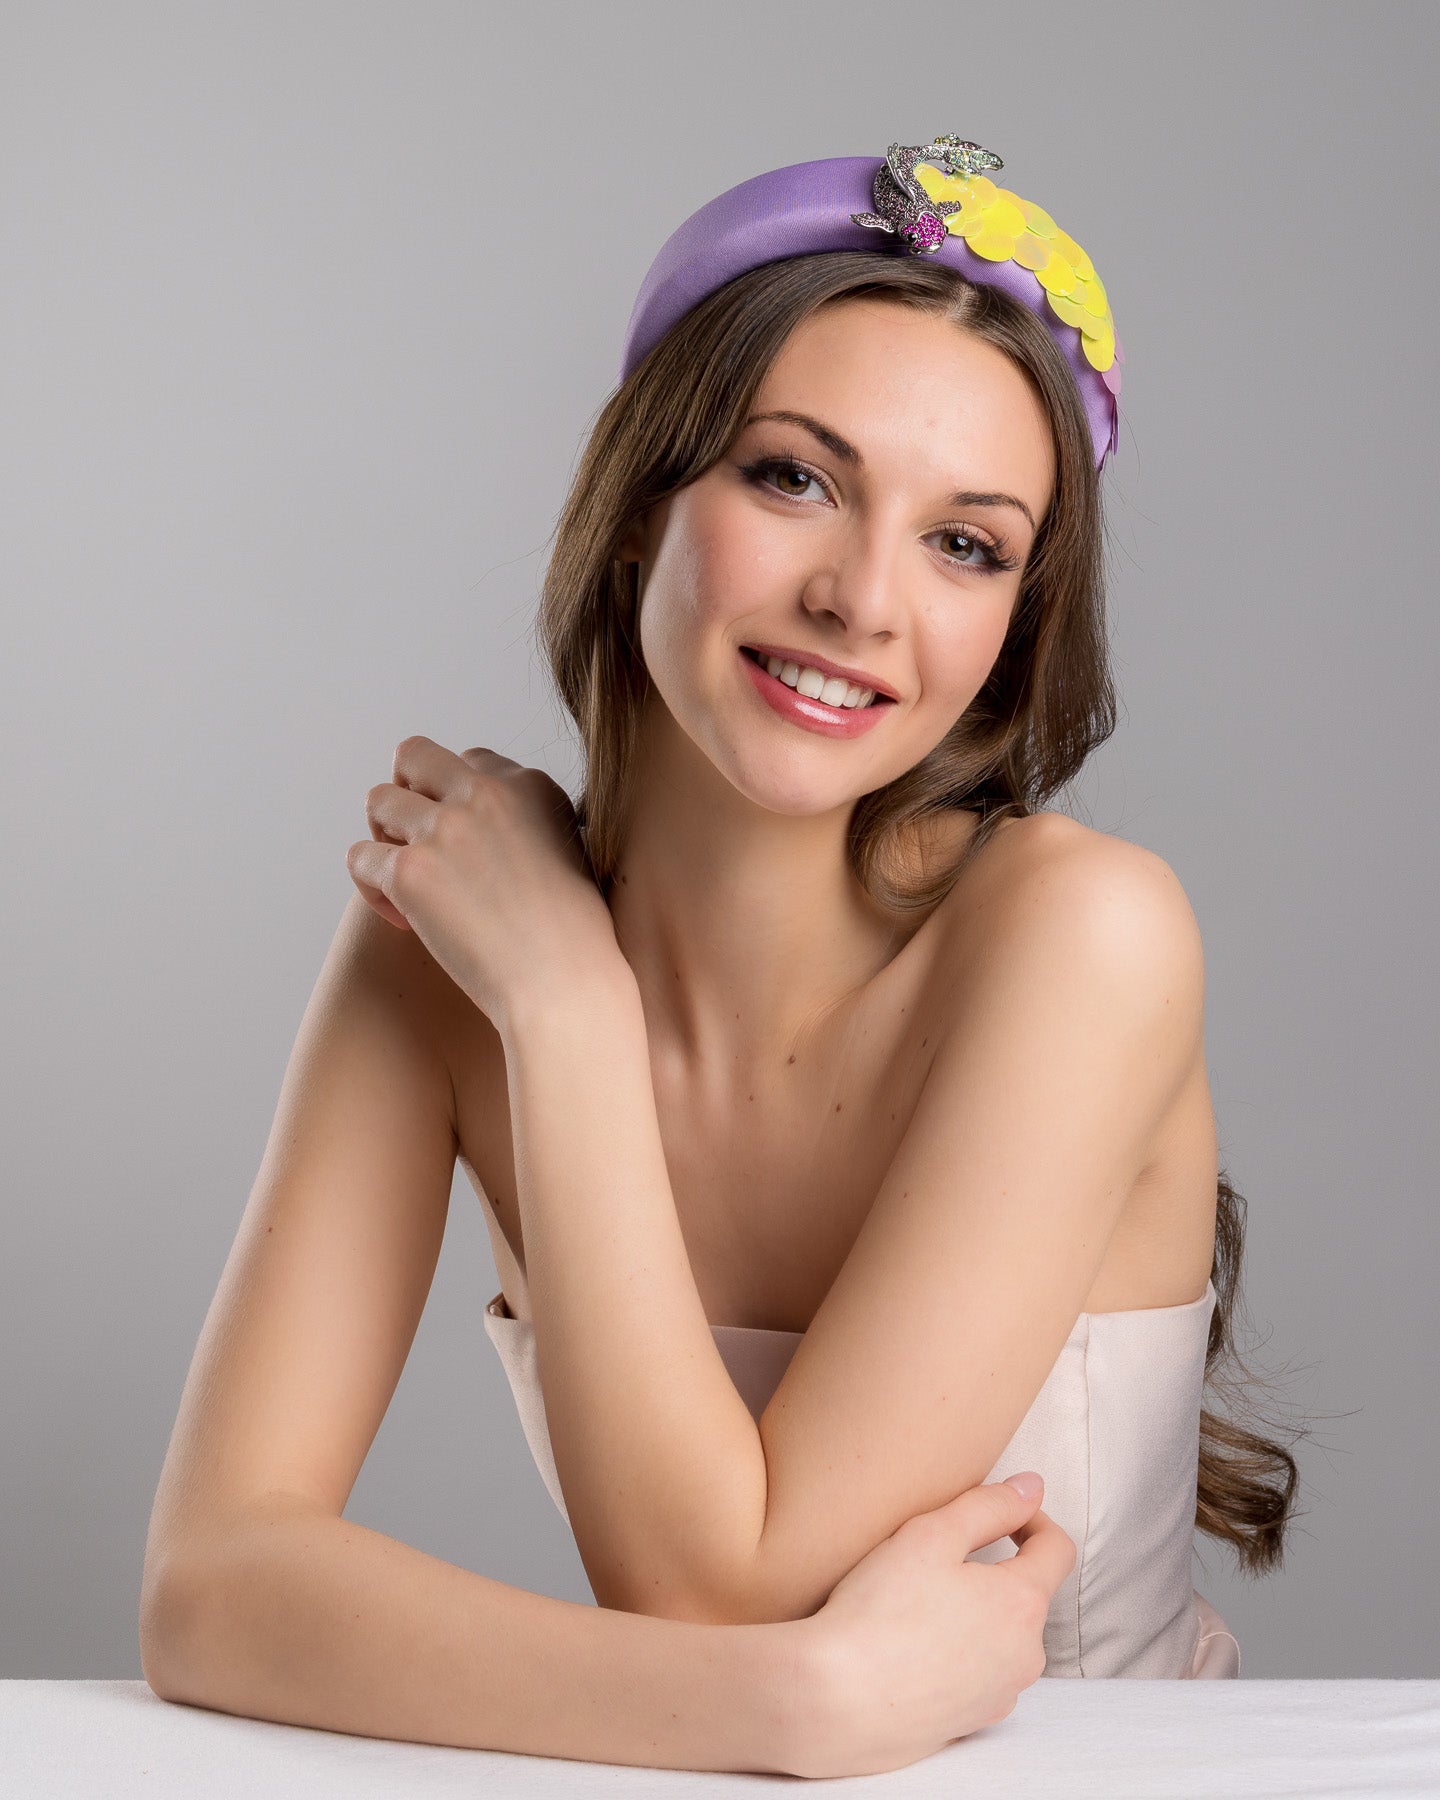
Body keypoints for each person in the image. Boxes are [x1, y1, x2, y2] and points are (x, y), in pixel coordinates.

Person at [140, 137, 1302, 1777]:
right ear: (640, 506)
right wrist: (800, 1703)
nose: (863, 601)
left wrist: (567, 1014)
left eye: (966, 545)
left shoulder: (1080, 936)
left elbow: (720, 1594)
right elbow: (210, 1587)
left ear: (1013, 631)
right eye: (794, 479)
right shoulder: (454, 943)